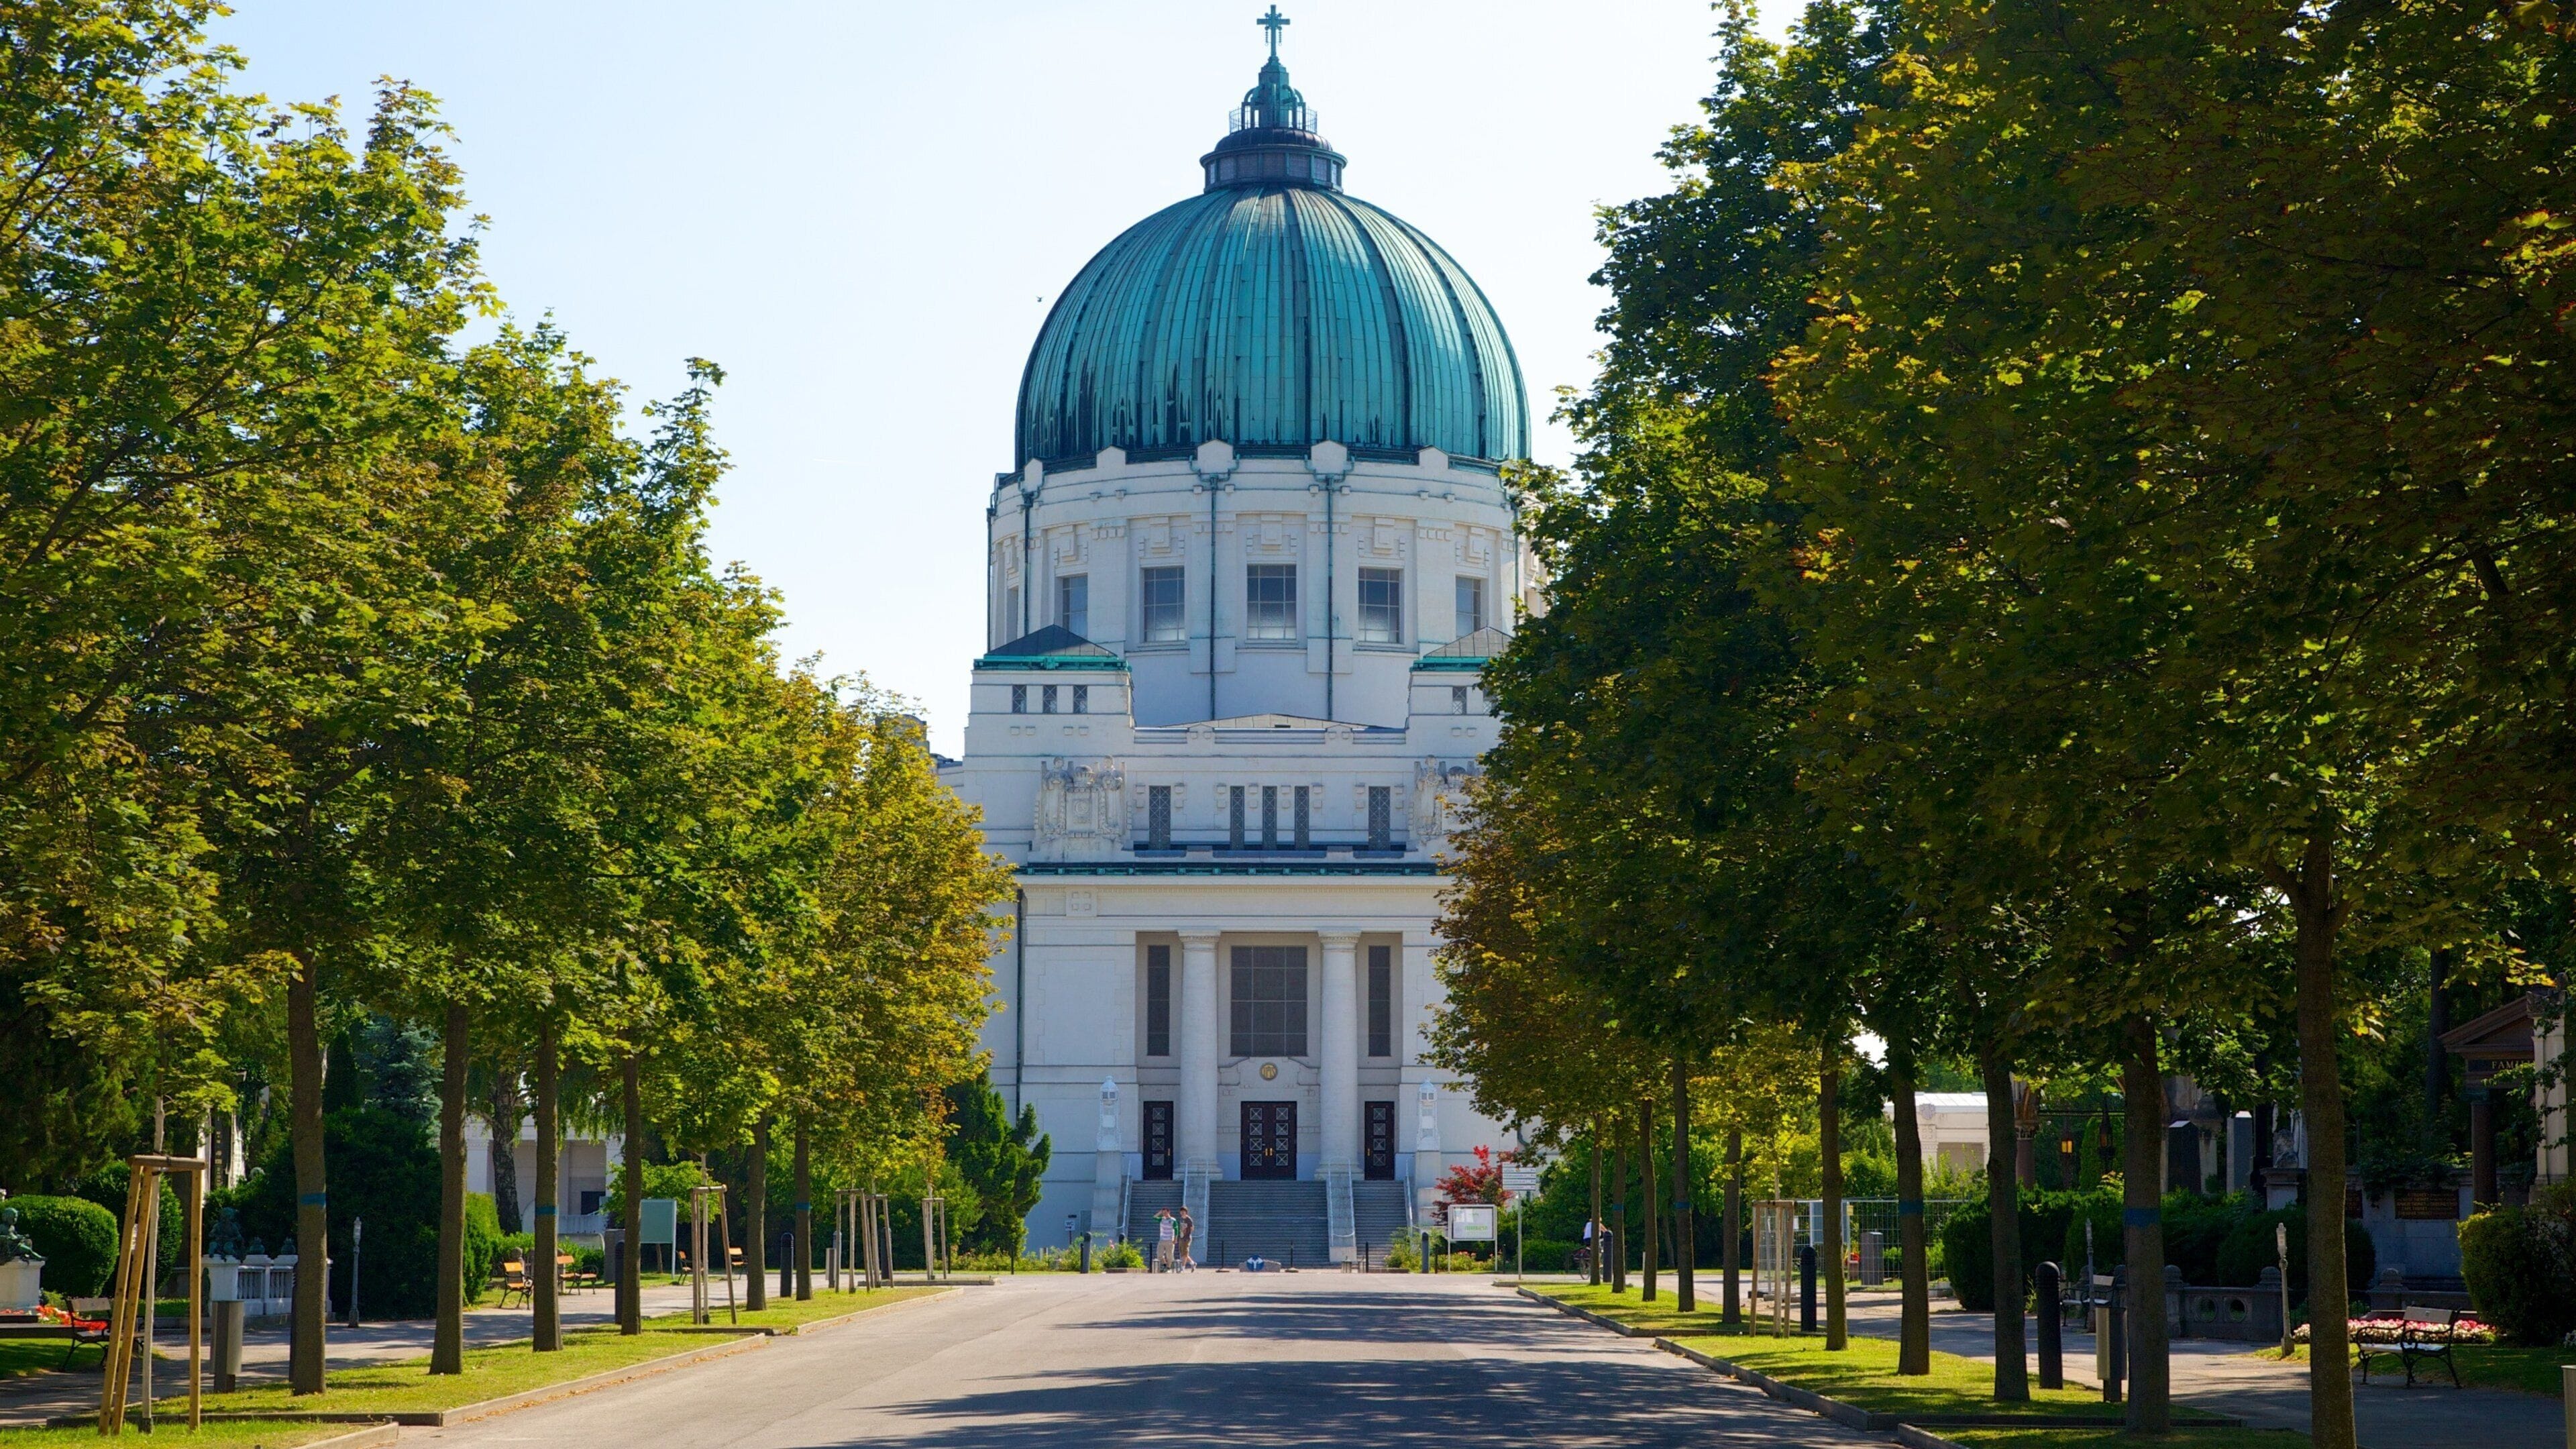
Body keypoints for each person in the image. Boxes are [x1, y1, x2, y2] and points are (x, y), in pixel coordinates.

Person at [1154, 1208, 1176, 1272]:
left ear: (1169, 1212)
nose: (1165, 1214)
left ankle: (1168, 1268)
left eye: (1166, 1213)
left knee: (1169, 1255)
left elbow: (1176, 1230)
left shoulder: (1173, 1220)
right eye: (1163, 1213)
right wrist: (1160, 1212)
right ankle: (1165, 1265)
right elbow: (1154, 1218)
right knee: (1159, 1255)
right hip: (1162, 1239)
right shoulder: (1162, 1219)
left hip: (1170, 1239)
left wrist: (1175, 1239)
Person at [1175, 1207, 1197, 1271]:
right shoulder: (1181, 1219)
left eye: (1183, 1211)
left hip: (1187, 1238)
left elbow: (1192, 1228)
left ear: (1186, 1212)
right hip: (1181, 1237)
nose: (1182, 1213)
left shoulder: (1189, 1219)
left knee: (1185, 1253)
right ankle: (1193, 1263)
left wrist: (1187, 1231)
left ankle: (1183, 1267)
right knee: (1183, 1254)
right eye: (1181, 1212)